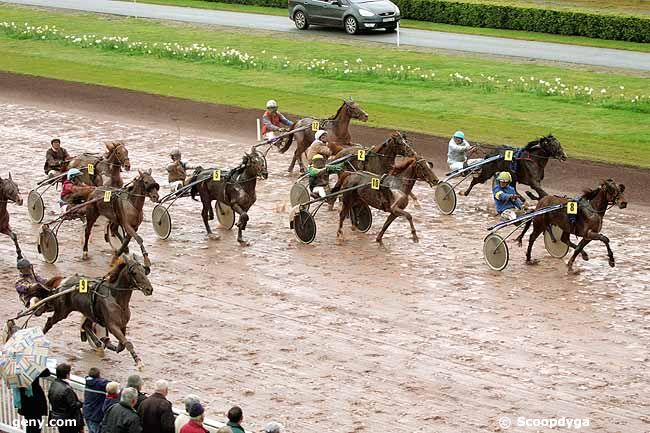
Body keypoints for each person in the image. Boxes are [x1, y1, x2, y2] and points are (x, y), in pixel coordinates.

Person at [47, 363, 84, 433]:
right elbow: (73, 405)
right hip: (68, 419)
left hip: (58, 418)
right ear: (67, 375)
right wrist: (82, 403)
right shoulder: (67, 389)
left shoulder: (54, 384)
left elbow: (49, 396)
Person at [17, 368, 51, 433]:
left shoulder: (16, 369)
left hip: (24, 399)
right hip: (34, 401)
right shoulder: (31, 367)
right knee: (36, 426)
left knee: (29, 425)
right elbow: (47, 373)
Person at [83, 368, 109, 433]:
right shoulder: (100, 384)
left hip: (87, 413)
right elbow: (110, 384)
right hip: (95, 416)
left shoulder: (88, 382)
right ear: (98, 375)